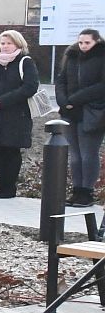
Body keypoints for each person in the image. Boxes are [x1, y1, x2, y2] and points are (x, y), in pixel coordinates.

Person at [0, 30, 38, 199]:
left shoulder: (26, 62)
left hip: (16, 115)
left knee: (11, 150)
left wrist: (3, 101)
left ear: (18, 44)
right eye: (2, 43)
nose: (5, 46)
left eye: (9, 43)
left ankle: (9, 188)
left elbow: (30, 86)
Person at [56, 28, 105, 206]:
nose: (83, 46)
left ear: (97, 42)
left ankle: (87, 192)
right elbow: (61, 80)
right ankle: (77, 191)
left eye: (88, 43)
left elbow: (101, 86)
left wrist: (75, 99)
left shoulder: (101, 57)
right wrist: (63, 101)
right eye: (81, 42)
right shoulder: (71, 56)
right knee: (75, 155)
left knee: (88, 154)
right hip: (70, 112)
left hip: (92, 111)